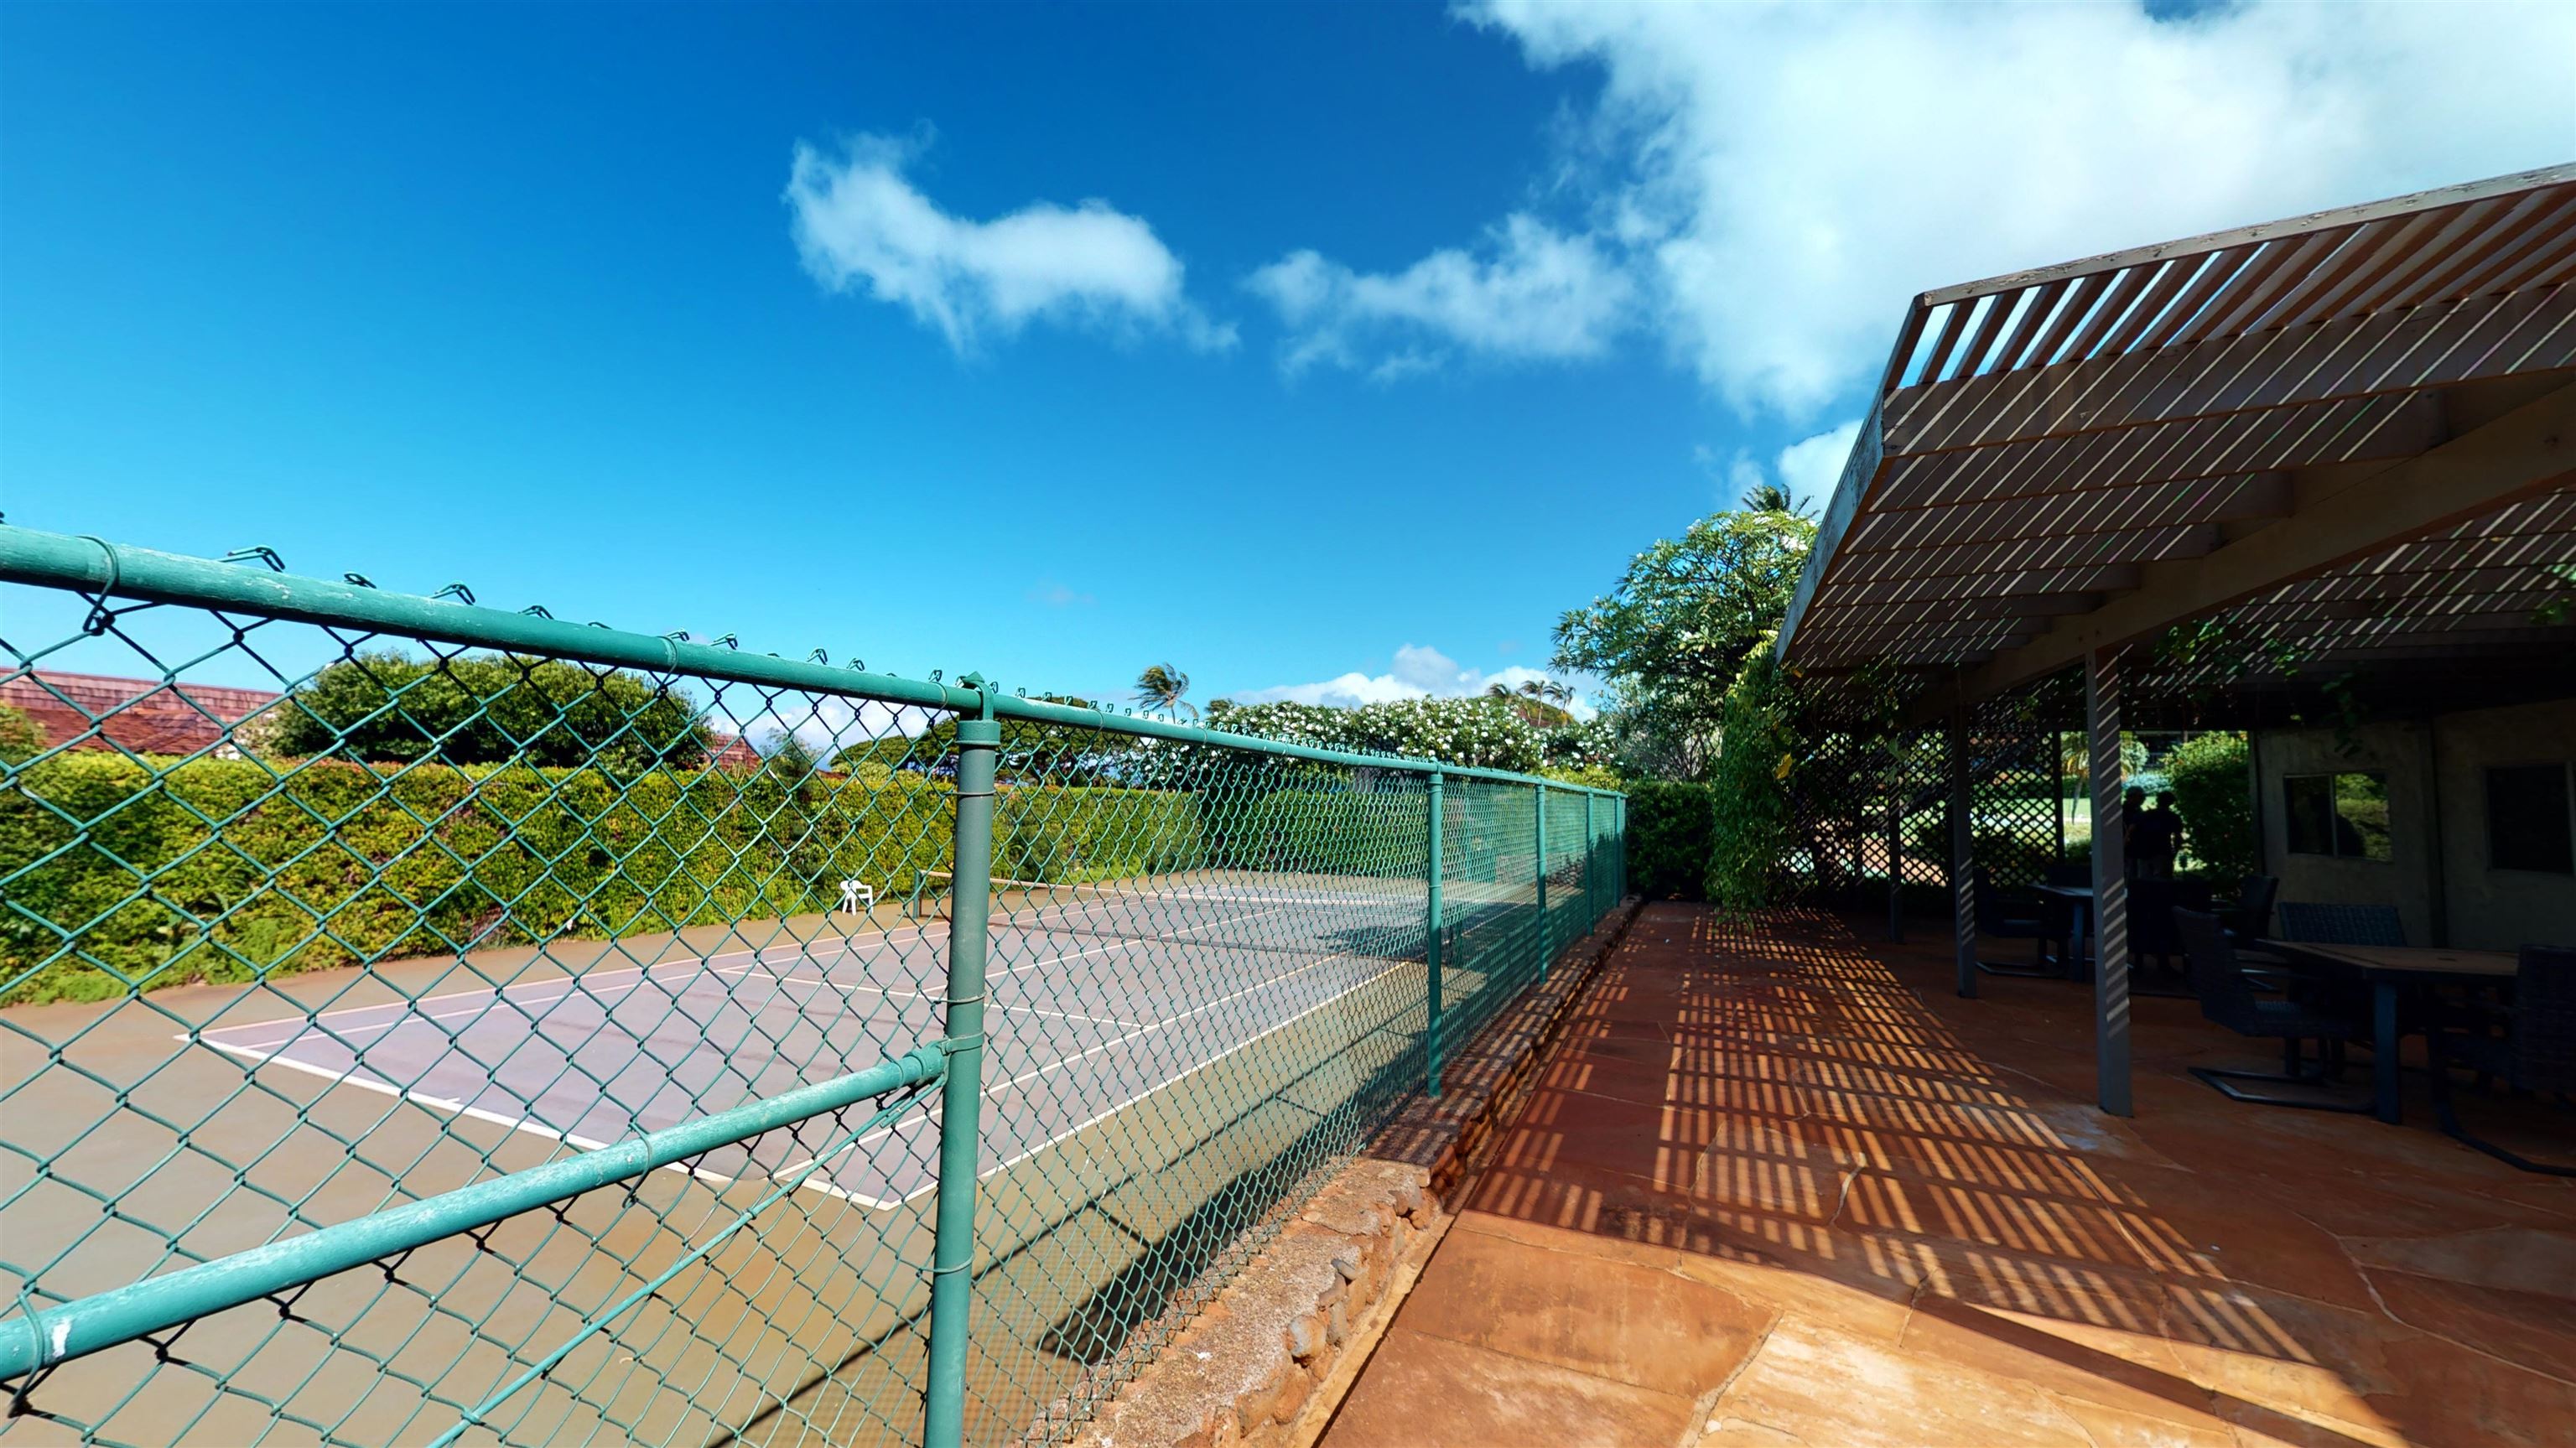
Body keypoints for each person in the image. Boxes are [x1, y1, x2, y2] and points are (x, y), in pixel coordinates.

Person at [2133, 792, 2183, 880]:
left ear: (2157, 800)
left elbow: (2135, 833)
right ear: (2171, 803)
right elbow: (2178, 838)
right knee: (2163, 883)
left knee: (2144, 883)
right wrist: (2174, 854)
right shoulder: (2173, 817)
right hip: (2163, 852)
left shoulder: (2145, 815)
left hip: (2144, 852)